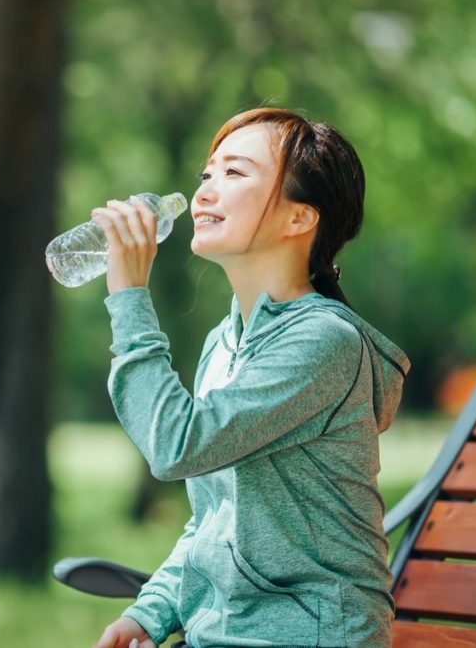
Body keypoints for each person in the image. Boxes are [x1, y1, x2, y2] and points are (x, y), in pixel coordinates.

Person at [87, 107, 409, 648]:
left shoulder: (324, 342)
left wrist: (129, 299)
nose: (205, 191)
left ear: (300, 219)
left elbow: (177, 445)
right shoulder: (225, 342)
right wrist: (152, 612)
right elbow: (213, 521)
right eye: (206, 174)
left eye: (235, 173)